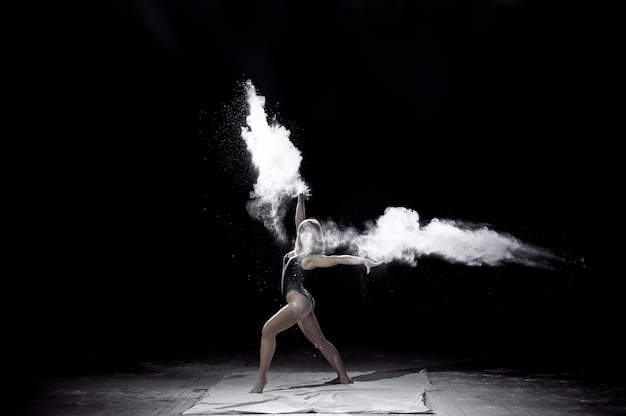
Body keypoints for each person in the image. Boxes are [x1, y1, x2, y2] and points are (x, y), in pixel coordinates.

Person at [250, 192, 383, 393]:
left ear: (311, 238)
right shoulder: (295, 250)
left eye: (307, 233)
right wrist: (301, 200)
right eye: (301, 231)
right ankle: (343, 377)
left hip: (300, 301)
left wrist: (363, 261)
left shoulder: (309, 258)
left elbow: (338, 258)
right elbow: (300, 222)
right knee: (319, 341)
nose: (302, 233)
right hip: (303, 301)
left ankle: (261, 381)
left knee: (268, 330)